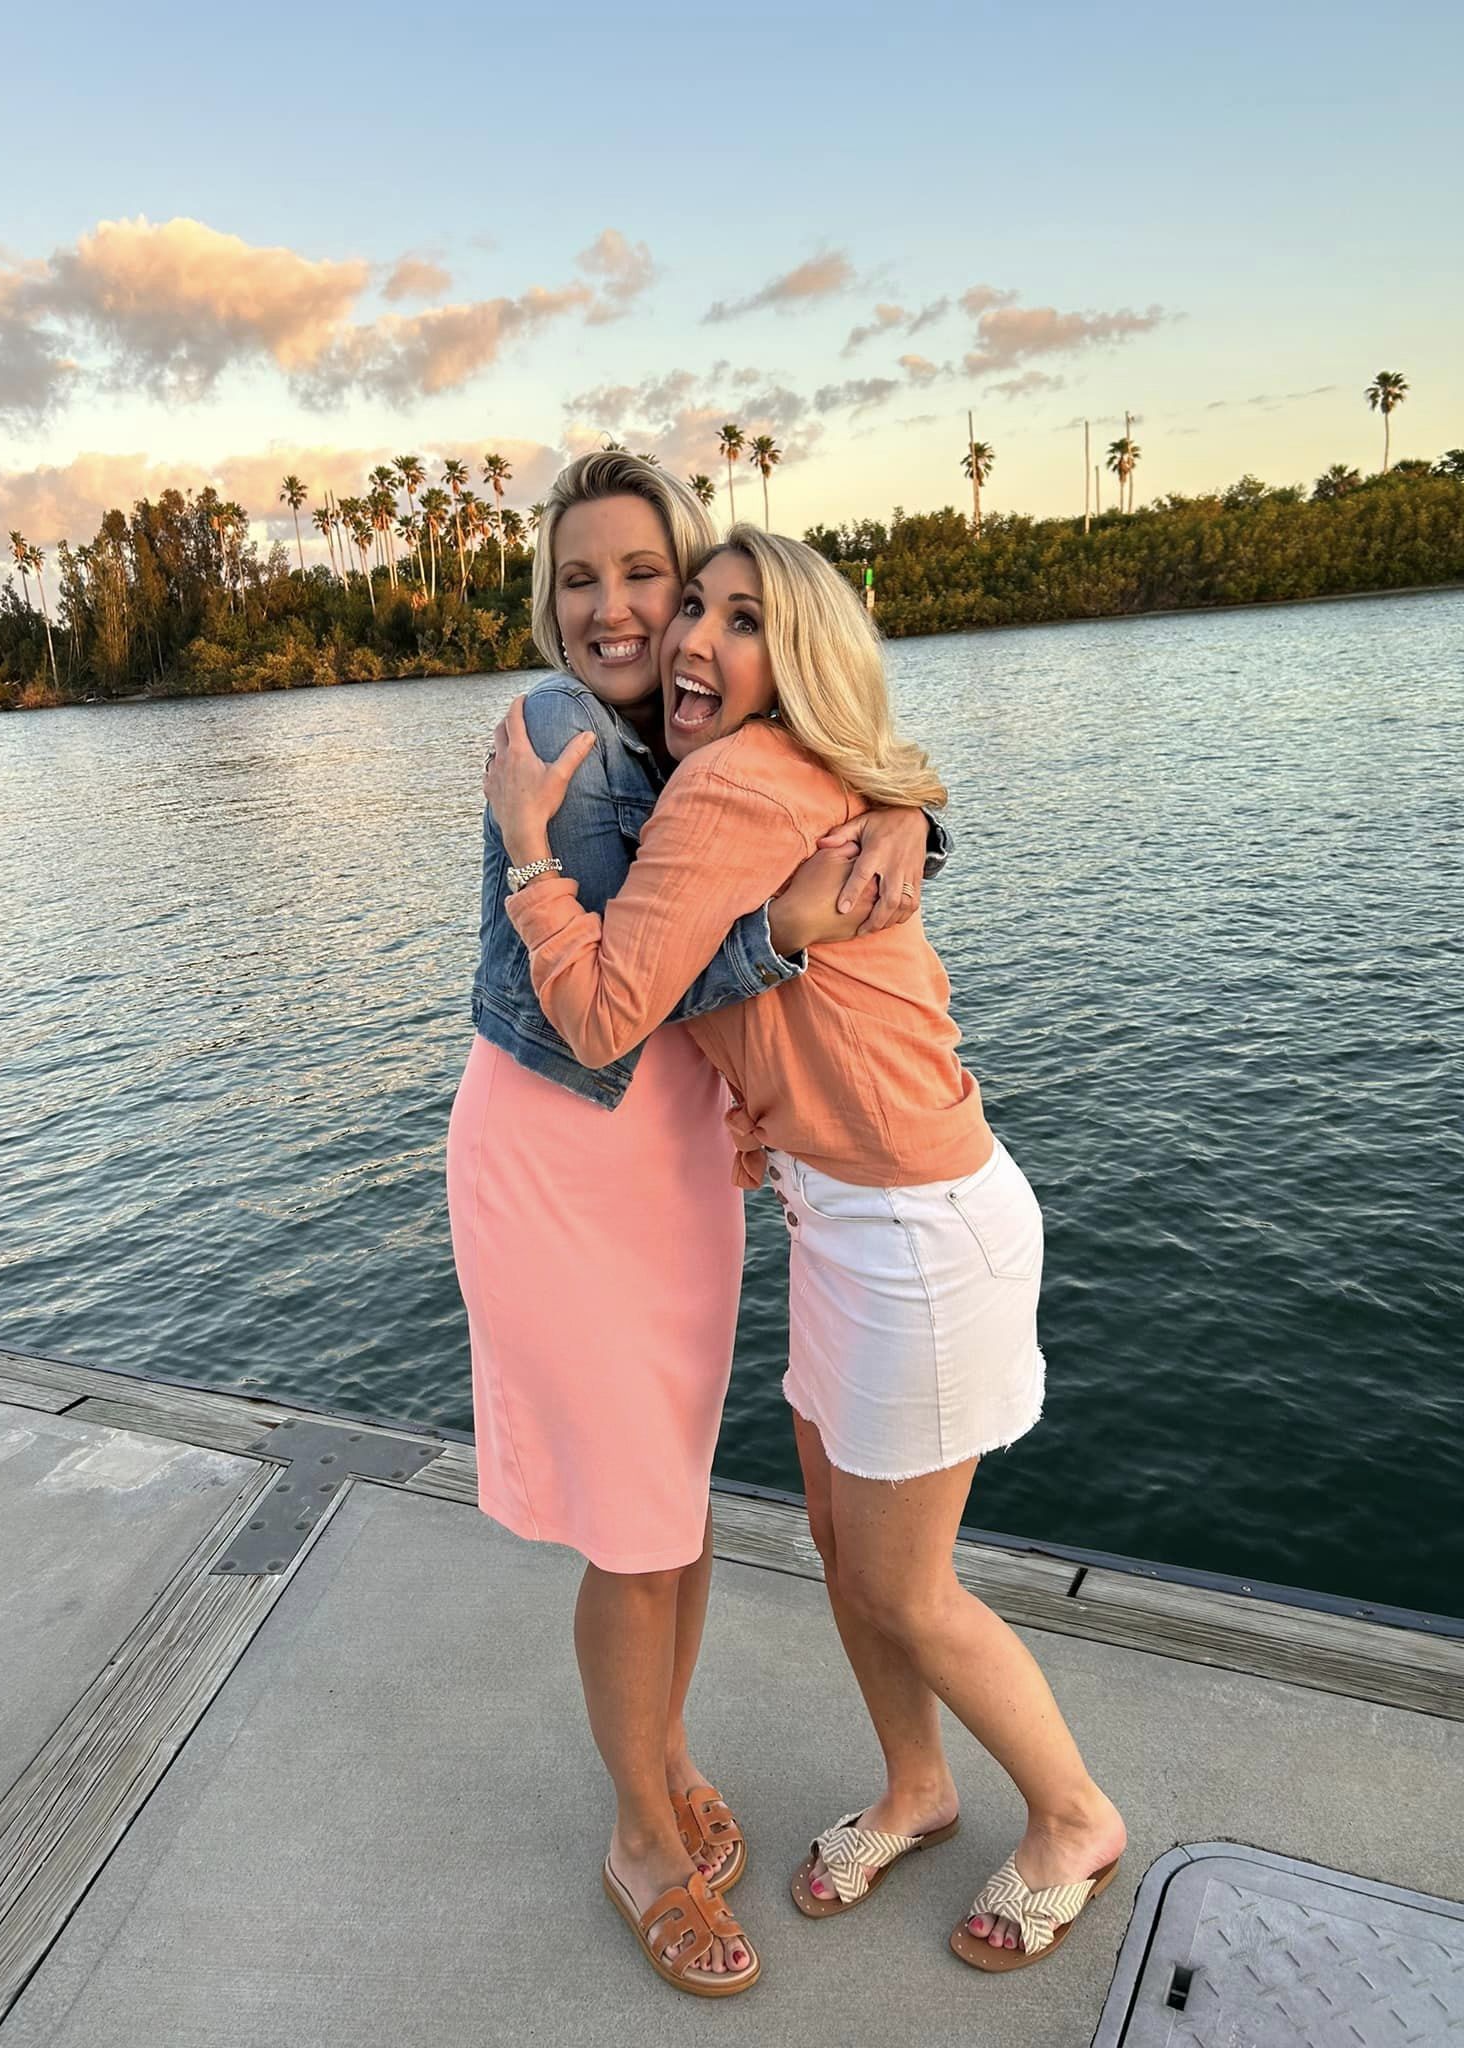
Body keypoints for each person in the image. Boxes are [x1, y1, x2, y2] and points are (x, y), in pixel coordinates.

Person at [486, 523, 1127, 1981]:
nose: (694, 639)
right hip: (843, 1213)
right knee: (844, 1548)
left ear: (799, 662)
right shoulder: (779, 772)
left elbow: (602, 1017)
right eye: (697, 608)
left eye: (742, 621)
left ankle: (1073, 1817)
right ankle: (918, 1787)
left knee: (907, 1585)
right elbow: (788, 930)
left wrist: (530, 851)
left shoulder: (725, 783)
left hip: (912, 1229)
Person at [447, 455, 942, 1998]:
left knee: (673, 1503)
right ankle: (637, 1837)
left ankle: (659, 1753)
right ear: (550, 603)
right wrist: (790, 924)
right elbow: (621, 1000)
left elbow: (814, 790)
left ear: (689, 588)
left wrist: (907, 816)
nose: (614, 610)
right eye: (579, 579)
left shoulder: (688, 732)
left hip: (671, 1162)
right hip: (563, 1154)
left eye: (642, 576)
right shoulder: (561, 734)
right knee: (632, 1524)